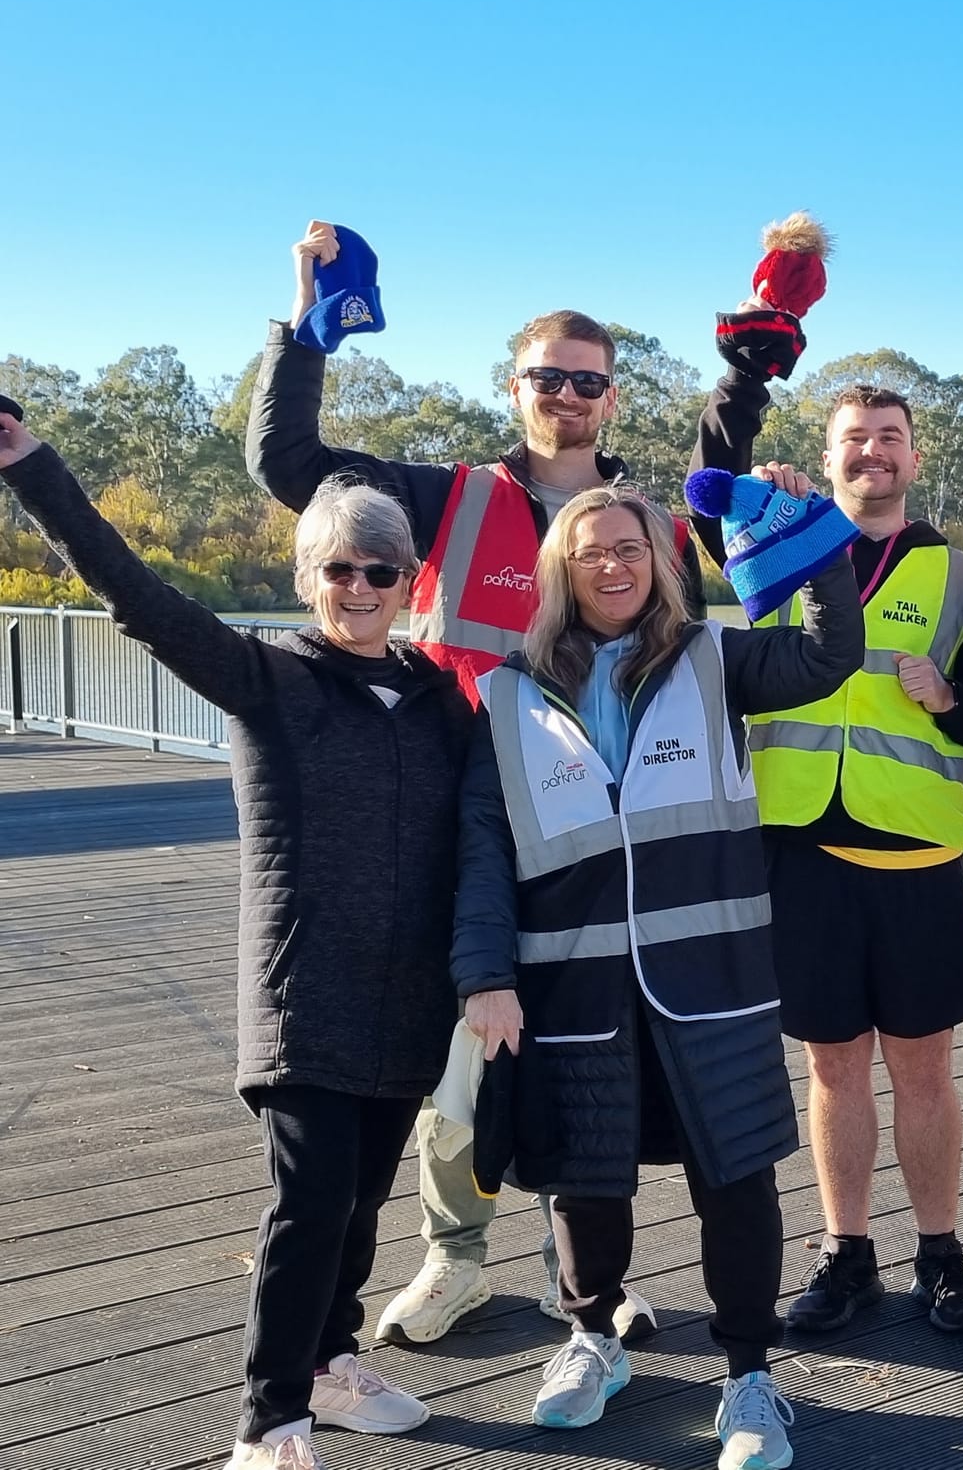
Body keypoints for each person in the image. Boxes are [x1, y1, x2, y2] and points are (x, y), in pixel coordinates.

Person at [247, 220, 726, 1344]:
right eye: (548, 376)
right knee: (454, 1048)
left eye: (589, 381)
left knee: (581, 1048)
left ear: (614, 398)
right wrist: (304, 337)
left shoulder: (649, 525)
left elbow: (691, 669)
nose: (568, 394)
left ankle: (592, 1277)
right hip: (457, 814)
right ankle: (454, 1257)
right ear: (516, 388)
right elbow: (291, 471)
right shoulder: (442, 494)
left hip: (593, 826)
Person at [0, 409, 471, 1470]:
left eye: (380, 571)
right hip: (306, 992)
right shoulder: (269, 678)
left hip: (412, 994)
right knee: (308, 1207)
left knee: (363, 1202)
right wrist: (34, 470)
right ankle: (269, 1422)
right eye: (339, 569)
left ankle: (329, 1365)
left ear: (410, 581)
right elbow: (138, 595)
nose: (359, 588)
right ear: (311, 578)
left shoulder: (444, 701)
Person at [450, 484, 860, 1468]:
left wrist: (814, 543)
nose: (612, 567)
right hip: (570, 987)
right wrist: (482, 973)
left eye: (629, 549)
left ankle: (749, 1378)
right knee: (584, 1184)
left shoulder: (715, 658)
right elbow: (479, 850)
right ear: (559, 570)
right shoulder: (505, 693)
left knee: (736, 1181)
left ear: (660, 560)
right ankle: (592, 1340)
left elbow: (828, 650)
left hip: (710, 980)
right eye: (589, 553)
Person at [697, 379, 963, 1335]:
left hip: (913, 849)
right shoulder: (771, 543)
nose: (872, 453)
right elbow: (705, 480)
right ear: (827, 456)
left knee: (924, 1067)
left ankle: (942, 1255)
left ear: (916, 459)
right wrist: (754, 459)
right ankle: (847, 1254)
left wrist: (948, 697)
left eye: (890, 438)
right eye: (853, 439)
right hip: (798, 845)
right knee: (831, 1067)